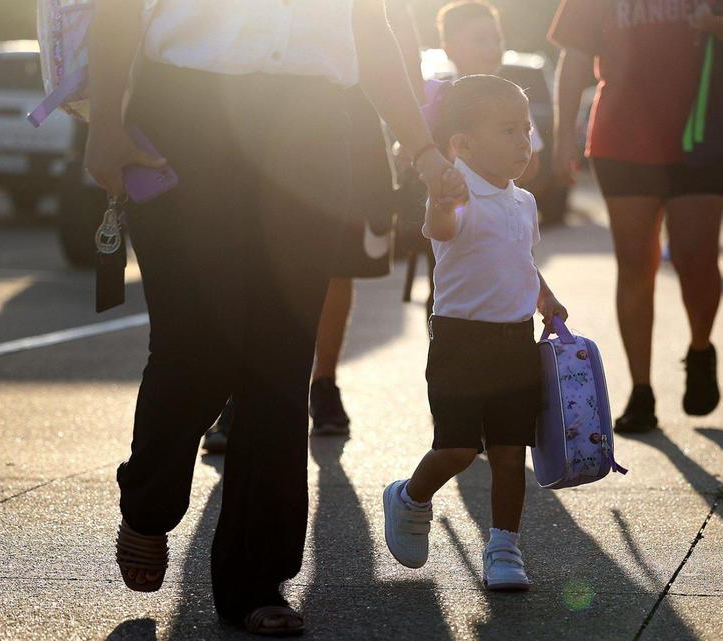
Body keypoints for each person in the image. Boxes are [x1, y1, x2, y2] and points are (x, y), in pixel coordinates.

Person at [88, 0, 466, 635]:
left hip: (312, 125)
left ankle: (256, 579)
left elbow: (367, 27)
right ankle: (149, 502)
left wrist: (423, 149)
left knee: (279, 356)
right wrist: (103, 124)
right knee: (195, 345)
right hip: (187, 114)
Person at [203, 1, 427, 453]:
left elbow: (397, 43)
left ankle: (323, 383)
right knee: (249, 262)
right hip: (260, 115)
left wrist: (417, 138)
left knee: (336, 263)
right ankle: (238, 394)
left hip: (351, 123)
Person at [381, 75, 567, 592]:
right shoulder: (456, 192)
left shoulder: (523, 202)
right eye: (507, 130)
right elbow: (441, 229)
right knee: (459, 449)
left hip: (515, 343)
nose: (522, 143)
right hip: (461, 342)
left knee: (511, 453)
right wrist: (440, 194)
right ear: (462, 144)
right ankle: (410, 497)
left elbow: (520, 260)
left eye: (525, 130)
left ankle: (505, 546)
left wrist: (544, 297)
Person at [551, 0, 723, 433]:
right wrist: (561, 137)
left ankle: (701, 349)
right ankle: (641, 390)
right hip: (622, 136)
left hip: (702, 135)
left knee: (696, 257)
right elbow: (573, 55)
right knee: (634, 263)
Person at [437, 0, 543, 183]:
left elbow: (531, 162)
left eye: (498, 40)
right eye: (480, 40)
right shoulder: (440, 100)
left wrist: (497, 188)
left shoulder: (510, 99)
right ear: (450, 49)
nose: (493, 48)